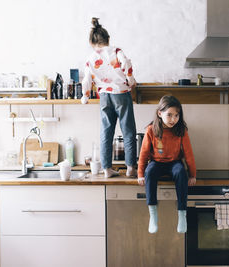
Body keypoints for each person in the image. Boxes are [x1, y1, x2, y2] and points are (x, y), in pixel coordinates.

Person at [81, 18, 137, 178]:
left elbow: (87, 80)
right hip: (121, 94)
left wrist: (85, 96)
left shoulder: (90, 58)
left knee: (106, 132)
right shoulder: (116, 51)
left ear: (92, 42)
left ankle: (106, 169)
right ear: (108, 39)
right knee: (128, 131)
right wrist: (130, 80)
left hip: (104, 96)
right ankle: (130, 168)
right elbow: (126, 64)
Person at [138, 95, 196, 234]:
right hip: (156, 163)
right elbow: (144, 153)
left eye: (176, 115)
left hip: (174, 163)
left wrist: (192, 174)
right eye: (169, 115)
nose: (173, 119)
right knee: (149, 172)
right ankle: (153, 214)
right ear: (160, 113)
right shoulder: (151, 130)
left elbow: (188, 154)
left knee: (181, 172)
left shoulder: (181, 130)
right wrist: (140, 174)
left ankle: (182, 214)